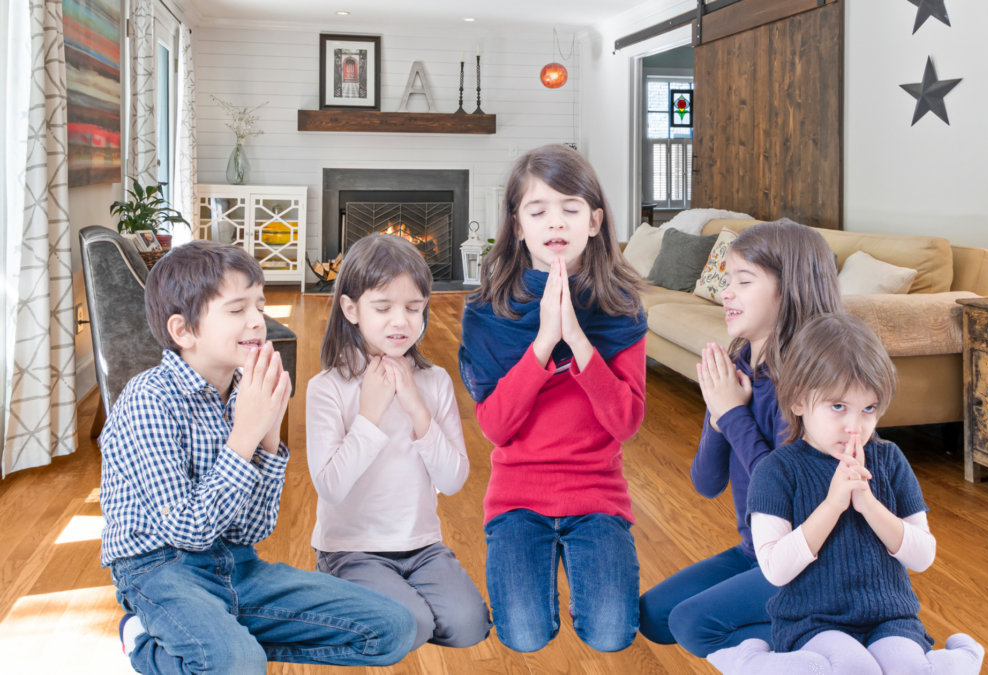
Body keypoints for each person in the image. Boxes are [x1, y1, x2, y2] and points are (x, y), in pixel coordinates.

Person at [99, 241, 416, 674]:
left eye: (259, 305)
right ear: (183, 330)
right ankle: (144, 638)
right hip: (160, 571)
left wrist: (269, 438)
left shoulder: (243, 393)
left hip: (237, 565)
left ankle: (224, 642)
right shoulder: (148, 399)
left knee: (395, 627)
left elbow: (252, 529)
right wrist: (247, 433)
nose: (258, 321)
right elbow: (188, 531)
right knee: (238, 664)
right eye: (237, 310)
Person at [709, 313, 985, 675]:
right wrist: (833, 504)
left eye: (868, 408)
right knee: (856, 670)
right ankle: (752, 661)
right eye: (838, 406)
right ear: (797, 402)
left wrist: (867, 503)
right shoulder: (776, 470)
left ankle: (961, 656)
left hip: (890, 616)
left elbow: (922, 556)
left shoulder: (889, 459)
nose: (855, 426)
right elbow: (775, 570)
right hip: (813, 621)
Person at [459, 144, 649, 653]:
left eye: (570, 207)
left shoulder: (621, 308)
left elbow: (625, 421)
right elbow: (497, 427)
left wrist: (579, 341)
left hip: (597, 493)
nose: (555, 222)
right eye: (537, 210)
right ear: (517, 226)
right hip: (517, 495)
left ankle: (587, 576)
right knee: (523, 636)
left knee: (610, 635)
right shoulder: (487, 311)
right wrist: (544, 341)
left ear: (594, 220)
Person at [639, 219, 843, 657]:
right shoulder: (740, 369)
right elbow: (706, 483)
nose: (725, 292)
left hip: (816, 562)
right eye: (727, 280)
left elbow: (793, 495)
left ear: (789, 290)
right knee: (655, 617)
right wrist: (719, 417)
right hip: (757, 551)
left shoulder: (814, 391)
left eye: (743, 281)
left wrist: (733, 414)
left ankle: (844, 636)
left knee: (693, 626)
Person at [307, 233, 491, 653]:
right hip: (351, 550)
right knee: (413, 623)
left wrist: (417, 409)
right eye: (383, 307)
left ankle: (388, 607)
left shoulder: (435, 381)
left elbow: (454, 478)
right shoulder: (328, 388)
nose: (400, 321)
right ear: (351, 309)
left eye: (413, 308)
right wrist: (370, 414)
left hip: (421, 546)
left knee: (469, 626)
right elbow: (330, 487)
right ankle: (344, 593)